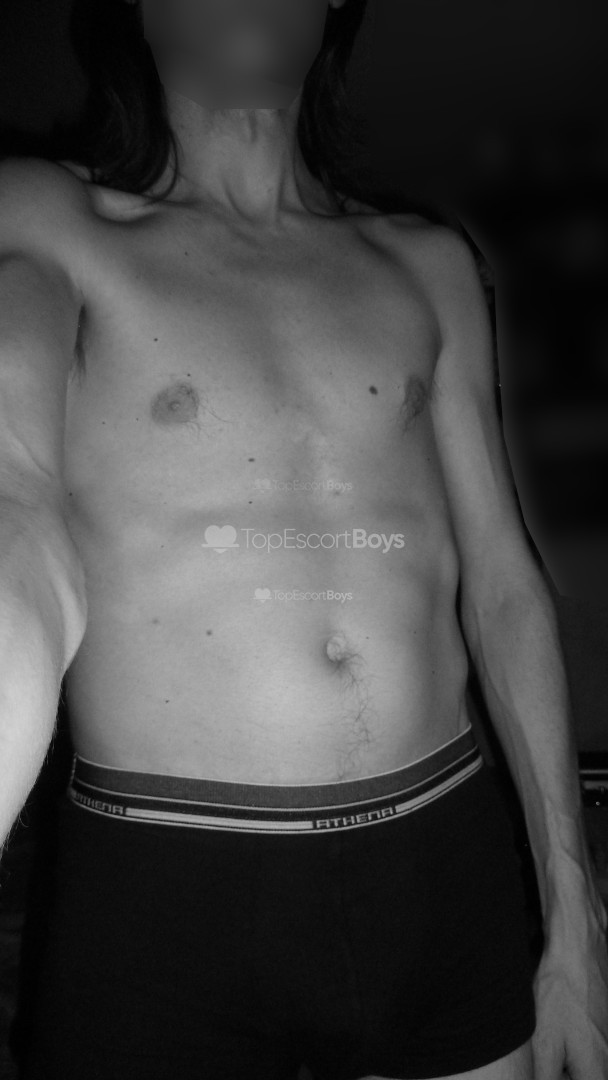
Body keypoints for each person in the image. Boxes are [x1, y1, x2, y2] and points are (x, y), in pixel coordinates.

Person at [0, 1, 606, 1077]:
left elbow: (503, 586)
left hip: (442, 868)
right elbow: (16, 503)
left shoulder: (426, 263)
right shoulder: (51, 220)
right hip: (163, 893)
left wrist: (575, 918)